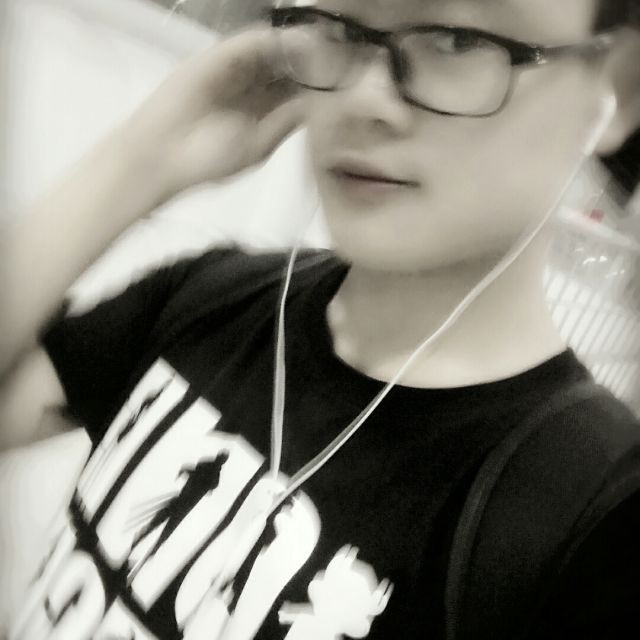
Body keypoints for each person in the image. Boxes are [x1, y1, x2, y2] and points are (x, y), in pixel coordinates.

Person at [1, 0, 639, 638]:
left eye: (455, 40)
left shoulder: (594, 523)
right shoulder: (215, 297)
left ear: (619, 87)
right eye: (338, 29)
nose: (364, 98)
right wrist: (143, 160)